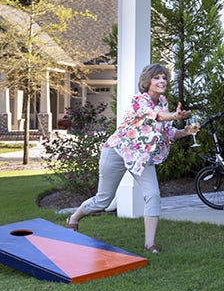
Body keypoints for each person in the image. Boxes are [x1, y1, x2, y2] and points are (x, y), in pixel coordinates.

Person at [64, 64, 196, 254]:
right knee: (103, 200)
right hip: (118, 152)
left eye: (164, 78)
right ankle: (74, 218)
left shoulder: (163, 102)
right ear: (147, 81)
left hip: (141, 157)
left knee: (153, 195)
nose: (162, 81)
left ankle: (149, 244)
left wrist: (185, 132)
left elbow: (167, 132)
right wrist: (174, 115)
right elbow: (156, 116)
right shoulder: (139, 100)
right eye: (157, 77)